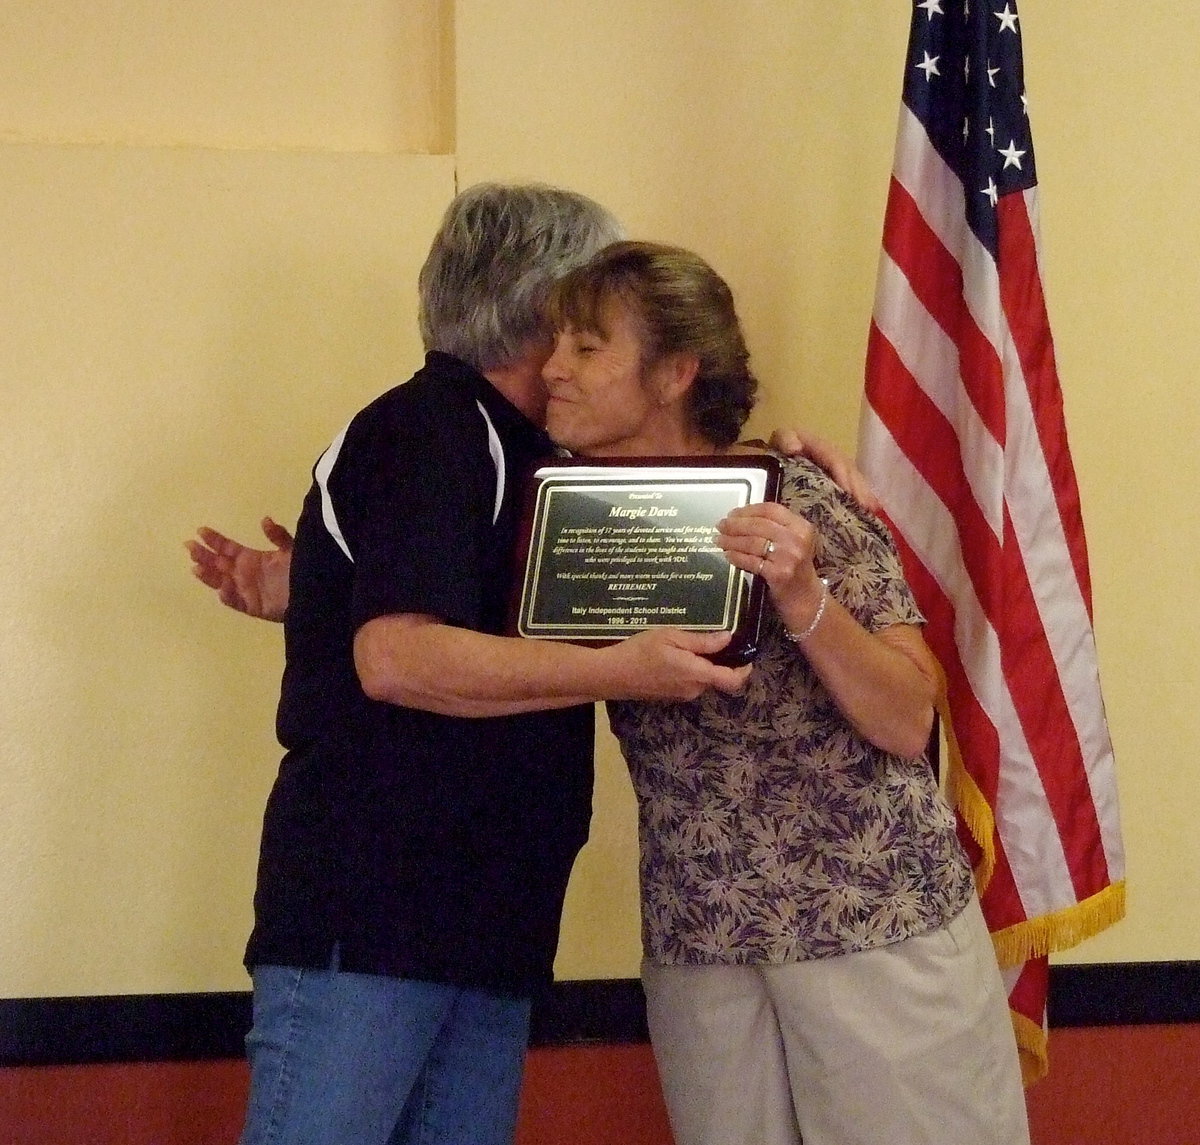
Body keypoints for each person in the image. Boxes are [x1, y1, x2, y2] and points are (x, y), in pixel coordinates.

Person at [216, 185, 755, 1145]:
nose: (587, 341)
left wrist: (794, 459)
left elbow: (438, 595)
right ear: (545, 306)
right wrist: (620, 671)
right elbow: (394, 656)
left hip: (487, 920)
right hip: (376, 918)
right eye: (586, 312)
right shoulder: (429, 428)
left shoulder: (543, 456)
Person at [535, 240, 1031, 1145]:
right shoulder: (571, 514)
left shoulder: (799, 495)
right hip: (705, 940)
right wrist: (311, 585)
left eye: (587, 346)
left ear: (676, 371)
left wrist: (806, 596)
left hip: (873, 925)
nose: (552, 367)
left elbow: (908, 714)